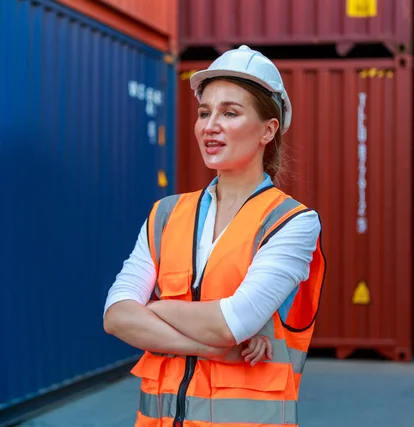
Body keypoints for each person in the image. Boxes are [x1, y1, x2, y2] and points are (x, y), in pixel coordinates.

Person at [103, 45, 326, 427]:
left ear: (268, 130)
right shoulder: (166, 214)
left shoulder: (293, 222)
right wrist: (215, 350)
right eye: (205, 112)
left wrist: (153, 311)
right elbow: (116, 317)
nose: (210, 125)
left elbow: (231, 323)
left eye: (230, 113)